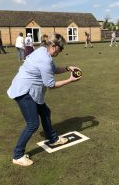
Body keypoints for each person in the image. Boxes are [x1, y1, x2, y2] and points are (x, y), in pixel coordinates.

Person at [7, 33, 81, 166]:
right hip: (24, 91)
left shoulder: (43, 51)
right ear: (53, 46)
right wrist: (70, 80)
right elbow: (51, 85)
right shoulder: (45, 59)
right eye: (61, 48)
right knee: (32, 124)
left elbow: (53, 70)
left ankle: (53, 138)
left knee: (45, 112)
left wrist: (67, 68)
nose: (62, 51)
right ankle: (17, 155)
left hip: (30, 89)